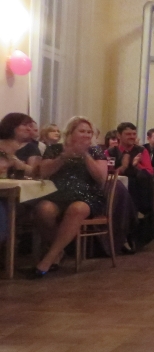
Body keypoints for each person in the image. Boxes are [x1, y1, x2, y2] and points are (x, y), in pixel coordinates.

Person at [30, 117, 108, 278]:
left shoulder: (95, 151)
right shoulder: (55, 149)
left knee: (76, 209)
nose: (86, 135)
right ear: (70, 133)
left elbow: (101, 178)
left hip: (87, 196)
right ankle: (59, 251)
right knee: (43, 210)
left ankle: (48, 259)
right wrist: (63, 157)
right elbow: (44, 172)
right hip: (57, 195)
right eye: (82, 131)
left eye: (89, 132)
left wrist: (85, 155)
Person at [0, 113, 38, 178]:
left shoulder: (31, 147)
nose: (29, 129)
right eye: (24, 125)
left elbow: (34, 172)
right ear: (12, 126)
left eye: (30, 126)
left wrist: (13, 159)